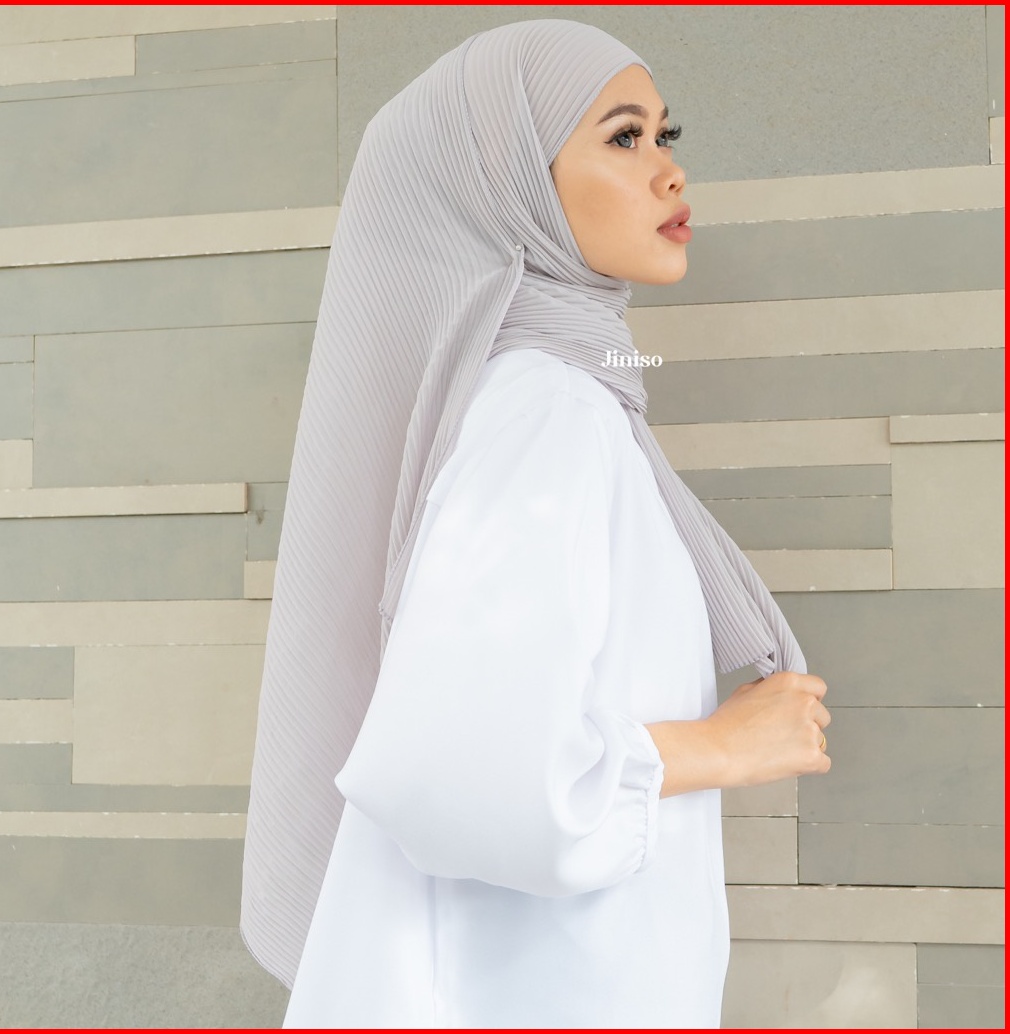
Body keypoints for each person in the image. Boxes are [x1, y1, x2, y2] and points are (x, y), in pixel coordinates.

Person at [241, 19, 831, 1029]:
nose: (670, 171)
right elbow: (462, 767)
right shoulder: (547, 412)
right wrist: (721, 746)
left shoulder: (564, 402)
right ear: (507, 184)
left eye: (664, 134)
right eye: (623, 137)